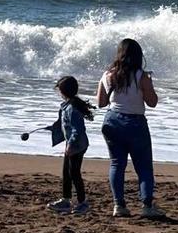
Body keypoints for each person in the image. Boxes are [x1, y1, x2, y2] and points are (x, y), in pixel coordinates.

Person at [96, 39, 164, 218]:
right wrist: (148, 84)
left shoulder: (107, 75)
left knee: (117, 164)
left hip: (112, 121)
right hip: (135, 122)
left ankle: (119, 205)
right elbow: (152, 102)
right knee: (143, 167)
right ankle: (147, 205)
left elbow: (101, 103)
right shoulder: (141, 76)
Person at [47, 76, 94, 215]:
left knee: (74, 173)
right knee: (66, 173)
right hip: (75, 144)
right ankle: (66, 201)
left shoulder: (71, 108)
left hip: (77, 145)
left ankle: (82, 203)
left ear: (63, 91)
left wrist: (71, 144)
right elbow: (65, 124)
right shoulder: (69, 105)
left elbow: (77, 129)